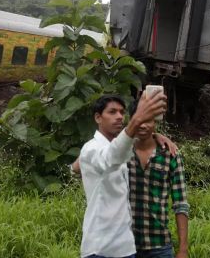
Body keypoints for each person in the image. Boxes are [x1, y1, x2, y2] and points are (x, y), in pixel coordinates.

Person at [77, 93, 167, 258]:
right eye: (112, 112)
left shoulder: (120, 145)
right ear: (98, 118)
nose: (119, 116)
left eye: (122, 112)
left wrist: (156, 136)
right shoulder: (91, 148)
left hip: (126, 247)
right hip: (100, 249)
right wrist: (136, 120)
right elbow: (111, 157)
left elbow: (127, 144)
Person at [128, 107, 189, 258]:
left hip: (159, 245)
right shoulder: (120, 153)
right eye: (139, 119)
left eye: (148, 120)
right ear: (131, 121)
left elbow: (180, 203)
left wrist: (182, 249)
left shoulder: (170, 155)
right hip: (124, 245)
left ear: (155, 121)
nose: (143, 125)